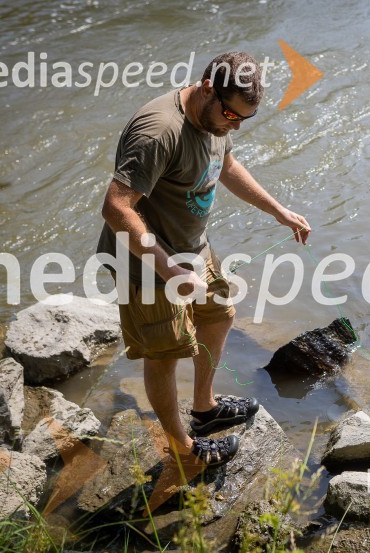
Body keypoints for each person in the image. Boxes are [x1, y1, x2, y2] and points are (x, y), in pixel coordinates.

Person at [96, 51, 311, 466]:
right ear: (208, 87)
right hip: (148, 264)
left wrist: (277, 210)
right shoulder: (159, 132)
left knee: (219, 314)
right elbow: (115, 208)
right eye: (230, 114)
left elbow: (225, 163)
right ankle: (184, 450)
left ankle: (204, 408)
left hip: (193, 249)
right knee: (166, 355)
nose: (233, 125)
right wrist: (169, 268)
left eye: (243, 120)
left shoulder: (218, 117)